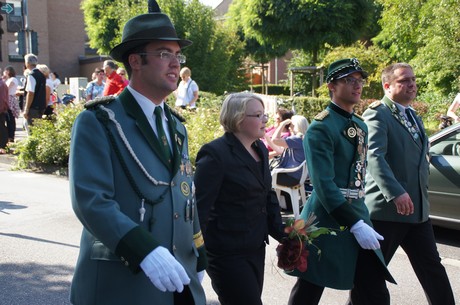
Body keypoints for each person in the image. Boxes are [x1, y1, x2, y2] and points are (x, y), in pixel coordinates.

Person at [68, 2, 207, 305]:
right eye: (163, 54)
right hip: (121, 282)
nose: (175, 63)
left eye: (177, 54)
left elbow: (185, 195)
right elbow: (91, 201)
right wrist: (142, 249)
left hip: (177, 279)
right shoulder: (100, 121)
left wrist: (199, 252)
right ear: (136, 61)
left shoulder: (176, 127)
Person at [286, 58, 394, 305]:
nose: (357, 86)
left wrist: (359, 218)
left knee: (373, 288)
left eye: (359, 80)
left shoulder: (360, 125)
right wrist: (355, 223)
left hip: (356, 211)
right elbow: (324, 185)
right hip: (325, 217)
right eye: (349, 80)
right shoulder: (320, 127)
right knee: (309, 288)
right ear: (331, 86)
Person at [351, 62, 455, 305]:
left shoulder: (412, 115)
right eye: (404, 81)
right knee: (370, 276)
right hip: (387, 212)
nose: (411, 84)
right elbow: (374, 156)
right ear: (387, 86)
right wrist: (395, 192)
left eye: (413, 80)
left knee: (432, 270)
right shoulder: (378, 113)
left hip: (417, 212)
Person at [194, 92, 285, 305]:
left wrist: (284, 234)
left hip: (255, 247)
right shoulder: (215, 153)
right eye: (258, 115)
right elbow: (200, 209)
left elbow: (267, 194)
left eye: (264, 114)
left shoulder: (259, 148)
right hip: (226, 253)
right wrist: (196, 254)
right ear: (238, 119)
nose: (265, 120)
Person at [264, 115, 309, 187]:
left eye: (291, 125)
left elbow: (275, 140)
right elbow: (279, 150)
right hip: (298, 176)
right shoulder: (304, 139)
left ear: (296, 126)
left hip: (291, 177)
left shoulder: (296, 139)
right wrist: (266, 136)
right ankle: (284, 197)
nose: (289, 127)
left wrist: (282, 124)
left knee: (262, 176)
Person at [23, 53, 47, 126]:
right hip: (41, 106)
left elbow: (30, 93)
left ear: (27, 63)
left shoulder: (31, 75)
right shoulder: (42, 75)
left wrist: (26, 109)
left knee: (32, 130)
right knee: (39, 130)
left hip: (33, 107)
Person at [3, 66, 20, 143]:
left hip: (10, 99)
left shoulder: (12, 79)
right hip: (8, 98)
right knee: (8, 118)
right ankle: (9, 136)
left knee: (10, 118)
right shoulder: (9, 79)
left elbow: (6, 88)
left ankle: (11, 136)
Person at [0, 77, 8, 154]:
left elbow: (2, 99)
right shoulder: (2, 83)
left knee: (1, 129)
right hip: (2, 109)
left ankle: (2, 146)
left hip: (1, 110)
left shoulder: (1, 84)